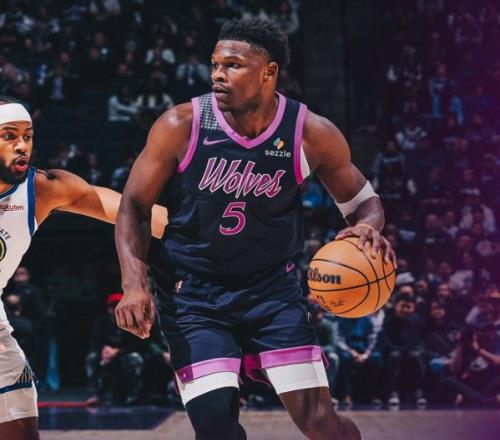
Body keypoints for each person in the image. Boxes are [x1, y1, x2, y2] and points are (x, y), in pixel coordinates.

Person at [115, 18, 395, 440]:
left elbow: (363, 202)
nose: (217, 75)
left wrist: (368, 227)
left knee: (321, 423)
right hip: (195, 295)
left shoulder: (310, 132)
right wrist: (134, 283)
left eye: (232, 65)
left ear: (269, 71)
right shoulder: (181, 125)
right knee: (217, 427)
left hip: (272, 292)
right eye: (215, 64)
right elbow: (133, 206)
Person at [0, 97, 168, 439]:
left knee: (22, 432)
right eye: (9, 136)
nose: (22, 146)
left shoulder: (42, 189)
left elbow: (133, 211)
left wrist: (209, 229)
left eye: (28, 136)